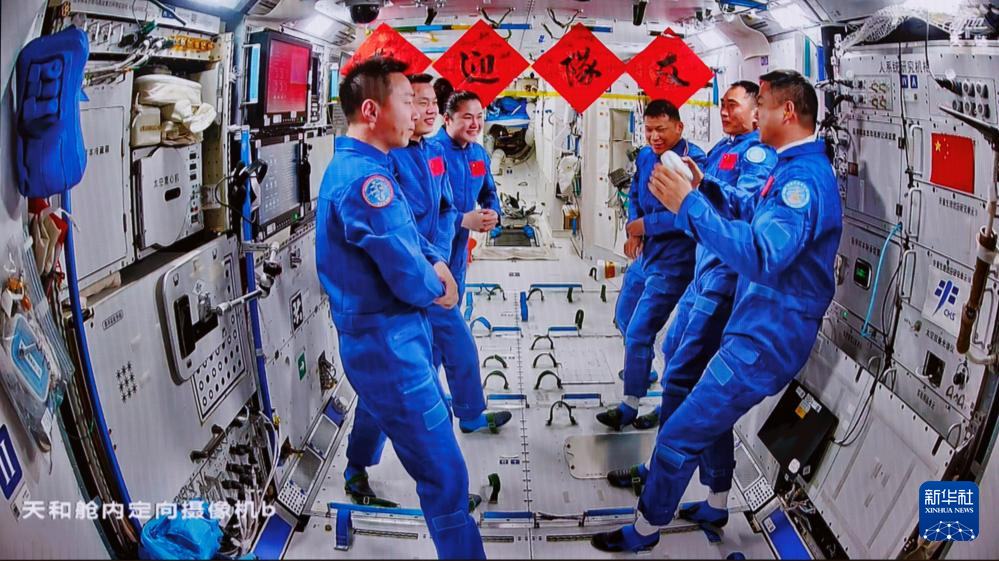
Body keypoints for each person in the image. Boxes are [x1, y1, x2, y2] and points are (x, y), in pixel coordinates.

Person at [591, 69, 842, 552]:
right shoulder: (790, 168)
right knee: (705, 414)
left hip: (765, 339)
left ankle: (644, 530)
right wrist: (705, 187)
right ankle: (716, 502)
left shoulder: (803, 183)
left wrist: (688, 206)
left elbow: (762, 255)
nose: (755, 113)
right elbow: (749, 209)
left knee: (679, 432)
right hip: (754, 326)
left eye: (761, 104)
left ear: (787, 111)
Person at [315, 57, 485, 560]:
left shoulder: (371, 167)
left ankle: (360, 465)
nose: (417, 113)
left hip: (393, 339)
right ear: (372, 110)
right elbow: (407, 273)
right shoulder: (367, 184)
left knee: (432, 441)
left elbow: (409, 233)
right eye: (409, 101)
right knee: (445, 475)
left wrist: (436, 262)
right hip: (388, 345)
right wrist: (437, 286)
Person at [604, 82, 777, 526]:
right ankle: (716, 500)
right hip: (704, 272)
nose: (724, 111)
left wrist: (678, 210)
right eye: (722, 104)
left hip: (723, 277)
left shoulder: (758, 155)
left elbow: (742, 213)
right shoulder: (723, 149)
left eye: (734, 104)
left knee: (684, 378)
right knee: (679, 365)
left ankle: (657, 476)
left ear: (758, 112)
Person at [596, 99, 707, 431]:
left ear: (679, 127)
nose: (654, 136)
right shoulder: (645, 156)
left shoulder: (693, 161)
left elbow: (690, 210)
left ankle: (629, 405)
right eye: (648, 130)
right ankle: (643, 370)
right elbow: (634, 194)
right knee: (623, 316)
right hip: (646, 256)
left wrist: (647, 226)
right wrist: (635, 229)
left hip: (675, 261)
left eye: (661, 129)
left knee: (640, 329)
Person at [434, 90, 502, 300]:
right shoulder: (432, 153)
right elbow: (425, 209)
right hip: (433, 249)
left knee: (456, 299)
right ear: (447, 119)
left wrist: (494, 212)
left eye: (479, 117)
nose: (475, 124)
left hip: (460, 248)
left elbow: (488, 191)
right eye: (467, 117)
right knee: (435, 304)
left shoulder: (478, 154)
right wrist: (462, 220)